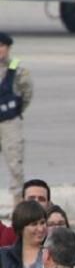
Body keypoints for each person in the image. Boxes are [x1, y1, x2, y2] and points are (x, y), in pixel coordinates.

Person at [0, 34, 32, 207]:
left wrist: (16, 110)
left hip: (9, 122)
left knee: (15, 164)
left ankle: (18, 205)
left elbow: (27, 92)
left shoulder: (16, 69)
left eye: (2, 46)